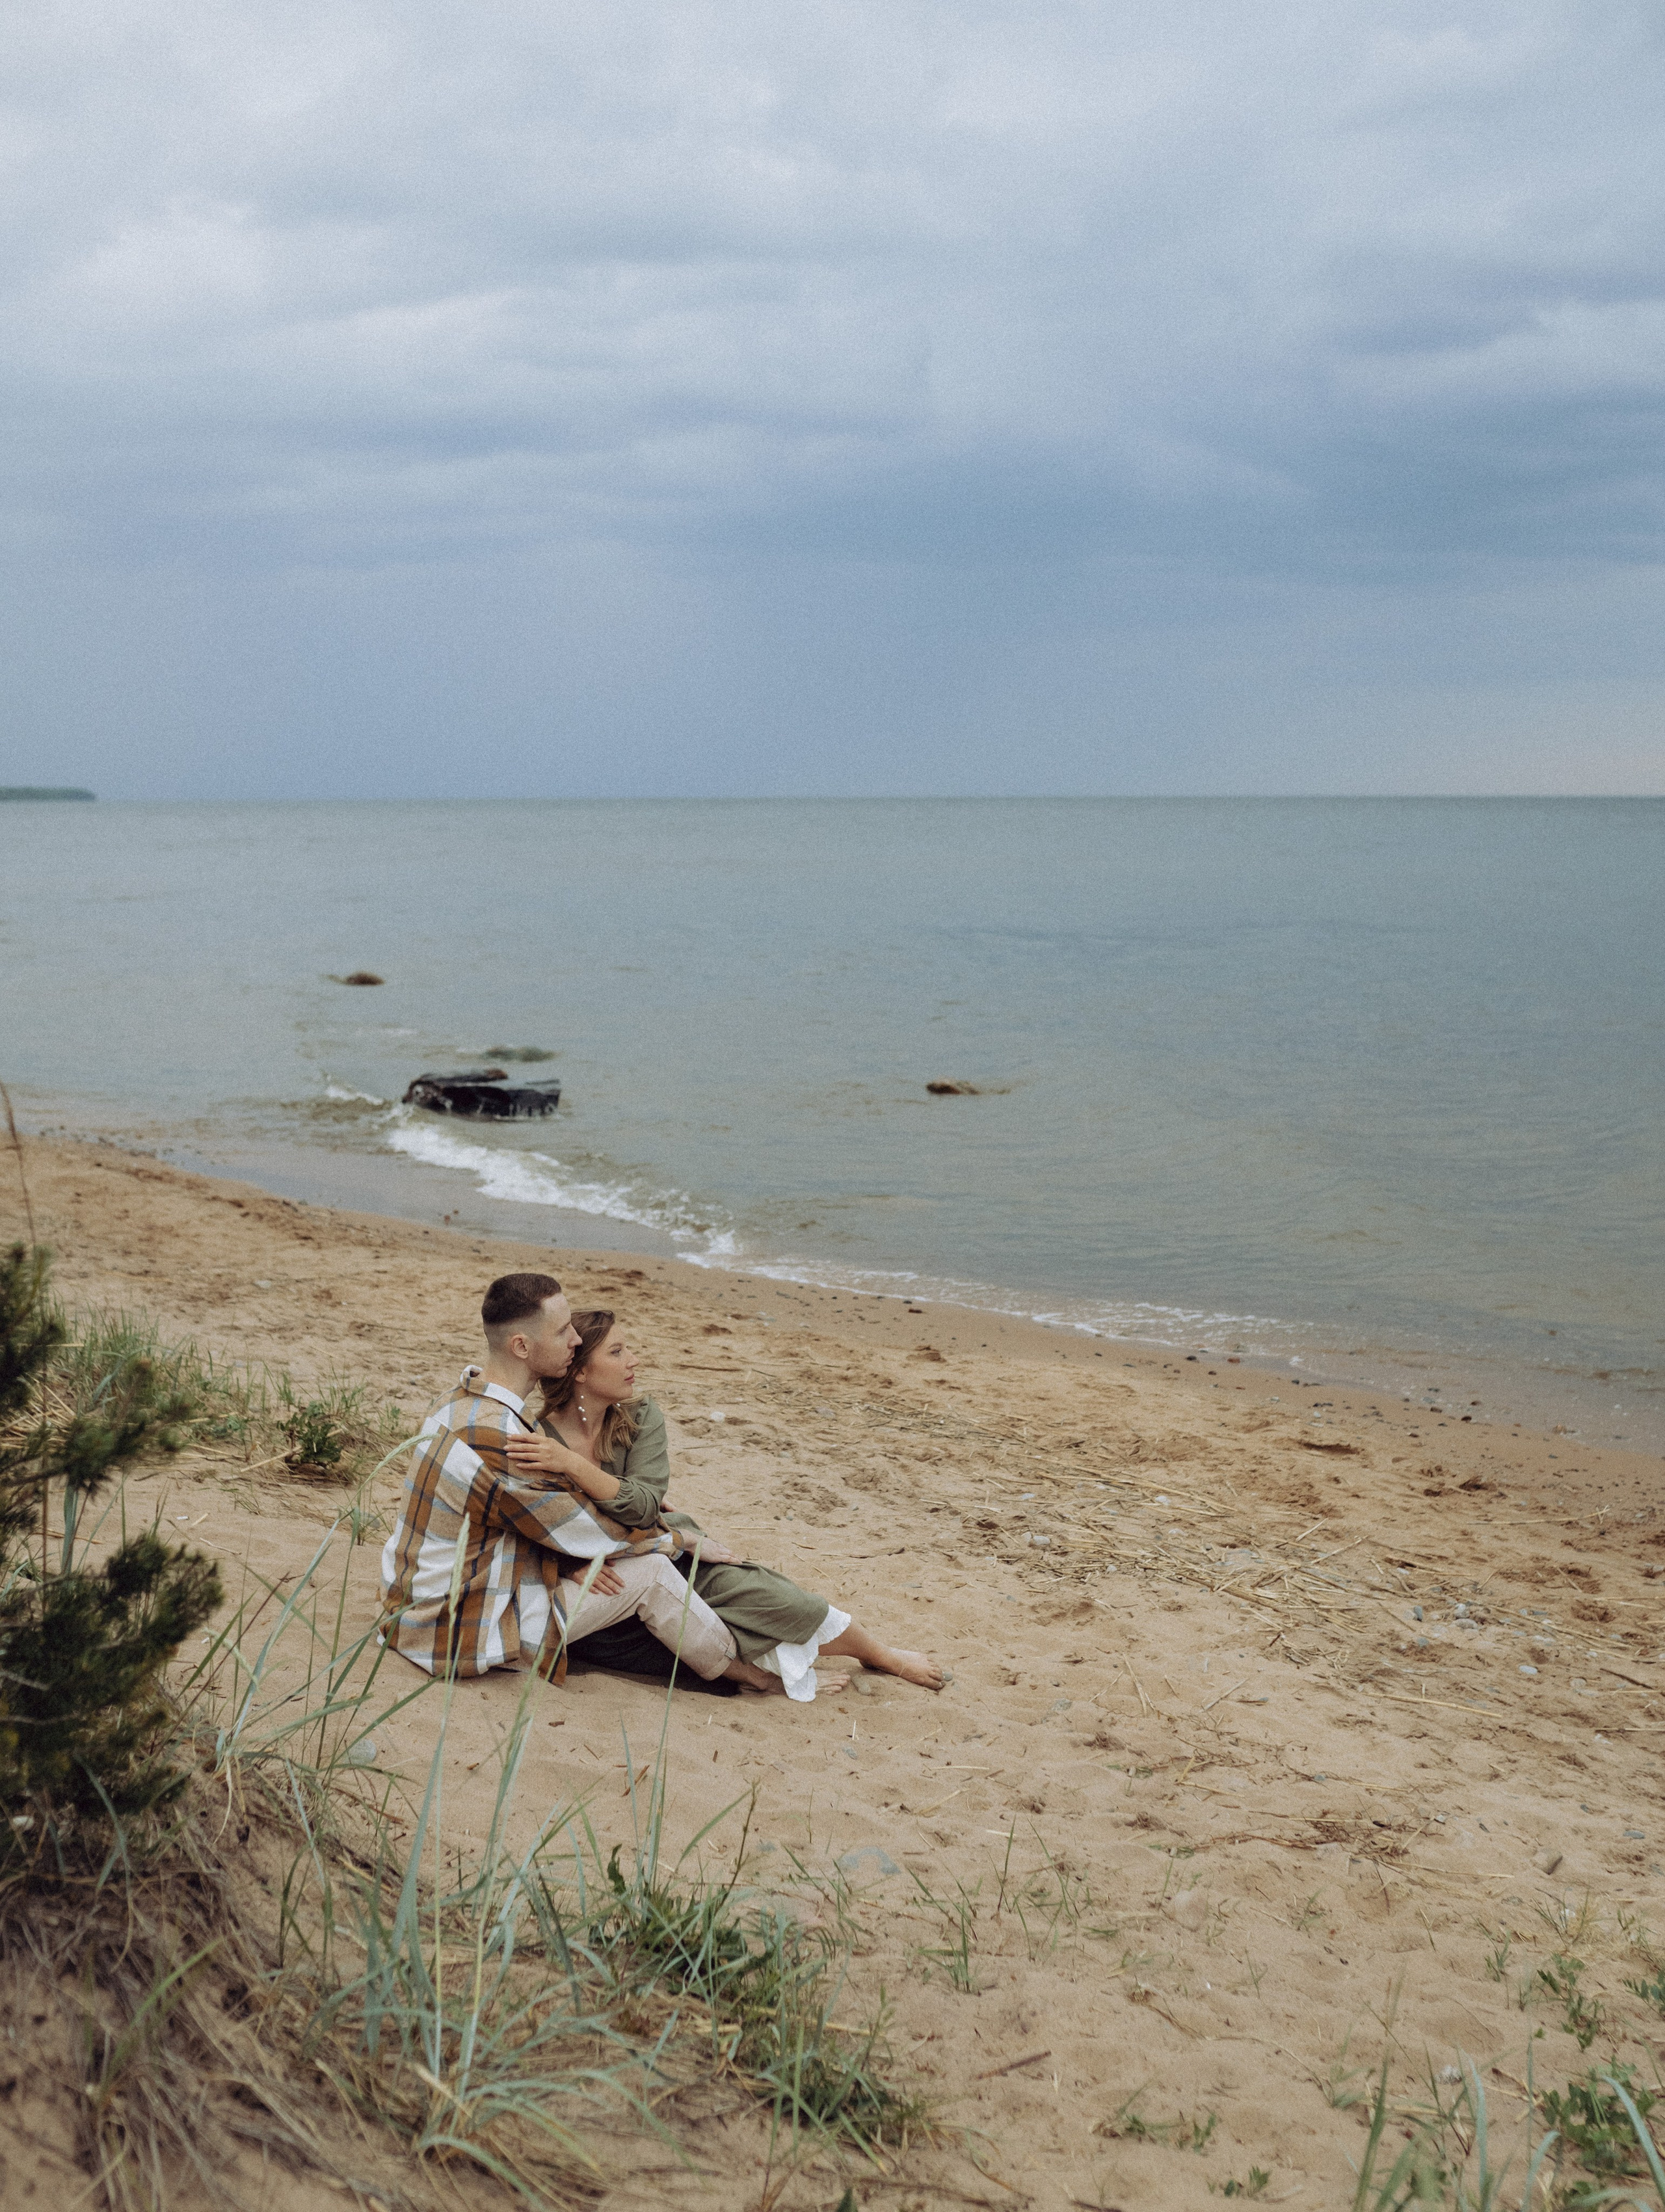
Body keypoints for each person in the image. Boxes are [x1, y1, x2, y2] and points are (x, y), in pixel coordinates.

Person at [503, 1309, 944, 1701]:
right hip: (613, 1584)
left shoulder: (640, 1417)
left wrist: (577, 1473)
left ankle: (880, 1654)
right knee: (699, 1650)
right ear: (579, 1371)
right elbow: (531, 1524)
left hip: (671, 1550)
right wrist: (565, 1561)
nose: (633, 1360)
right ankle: (762, 1676)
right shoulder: (539, 1441)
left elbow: (641, 1508)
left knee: (782, 1602)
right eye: (617, 1351)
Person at [379, 1272, 783, 1690]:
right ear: (522, 1346)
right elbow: (589, 1531)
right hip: (453, 1632)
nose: (576, 1340)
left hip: (407, 1608)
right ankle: (754, 1678)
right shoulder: (502, 1440)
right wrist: (678, 1540)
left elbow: (537, 1512)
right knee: (653, 1574)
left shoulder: (455, 1402)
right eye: (563, 1331)